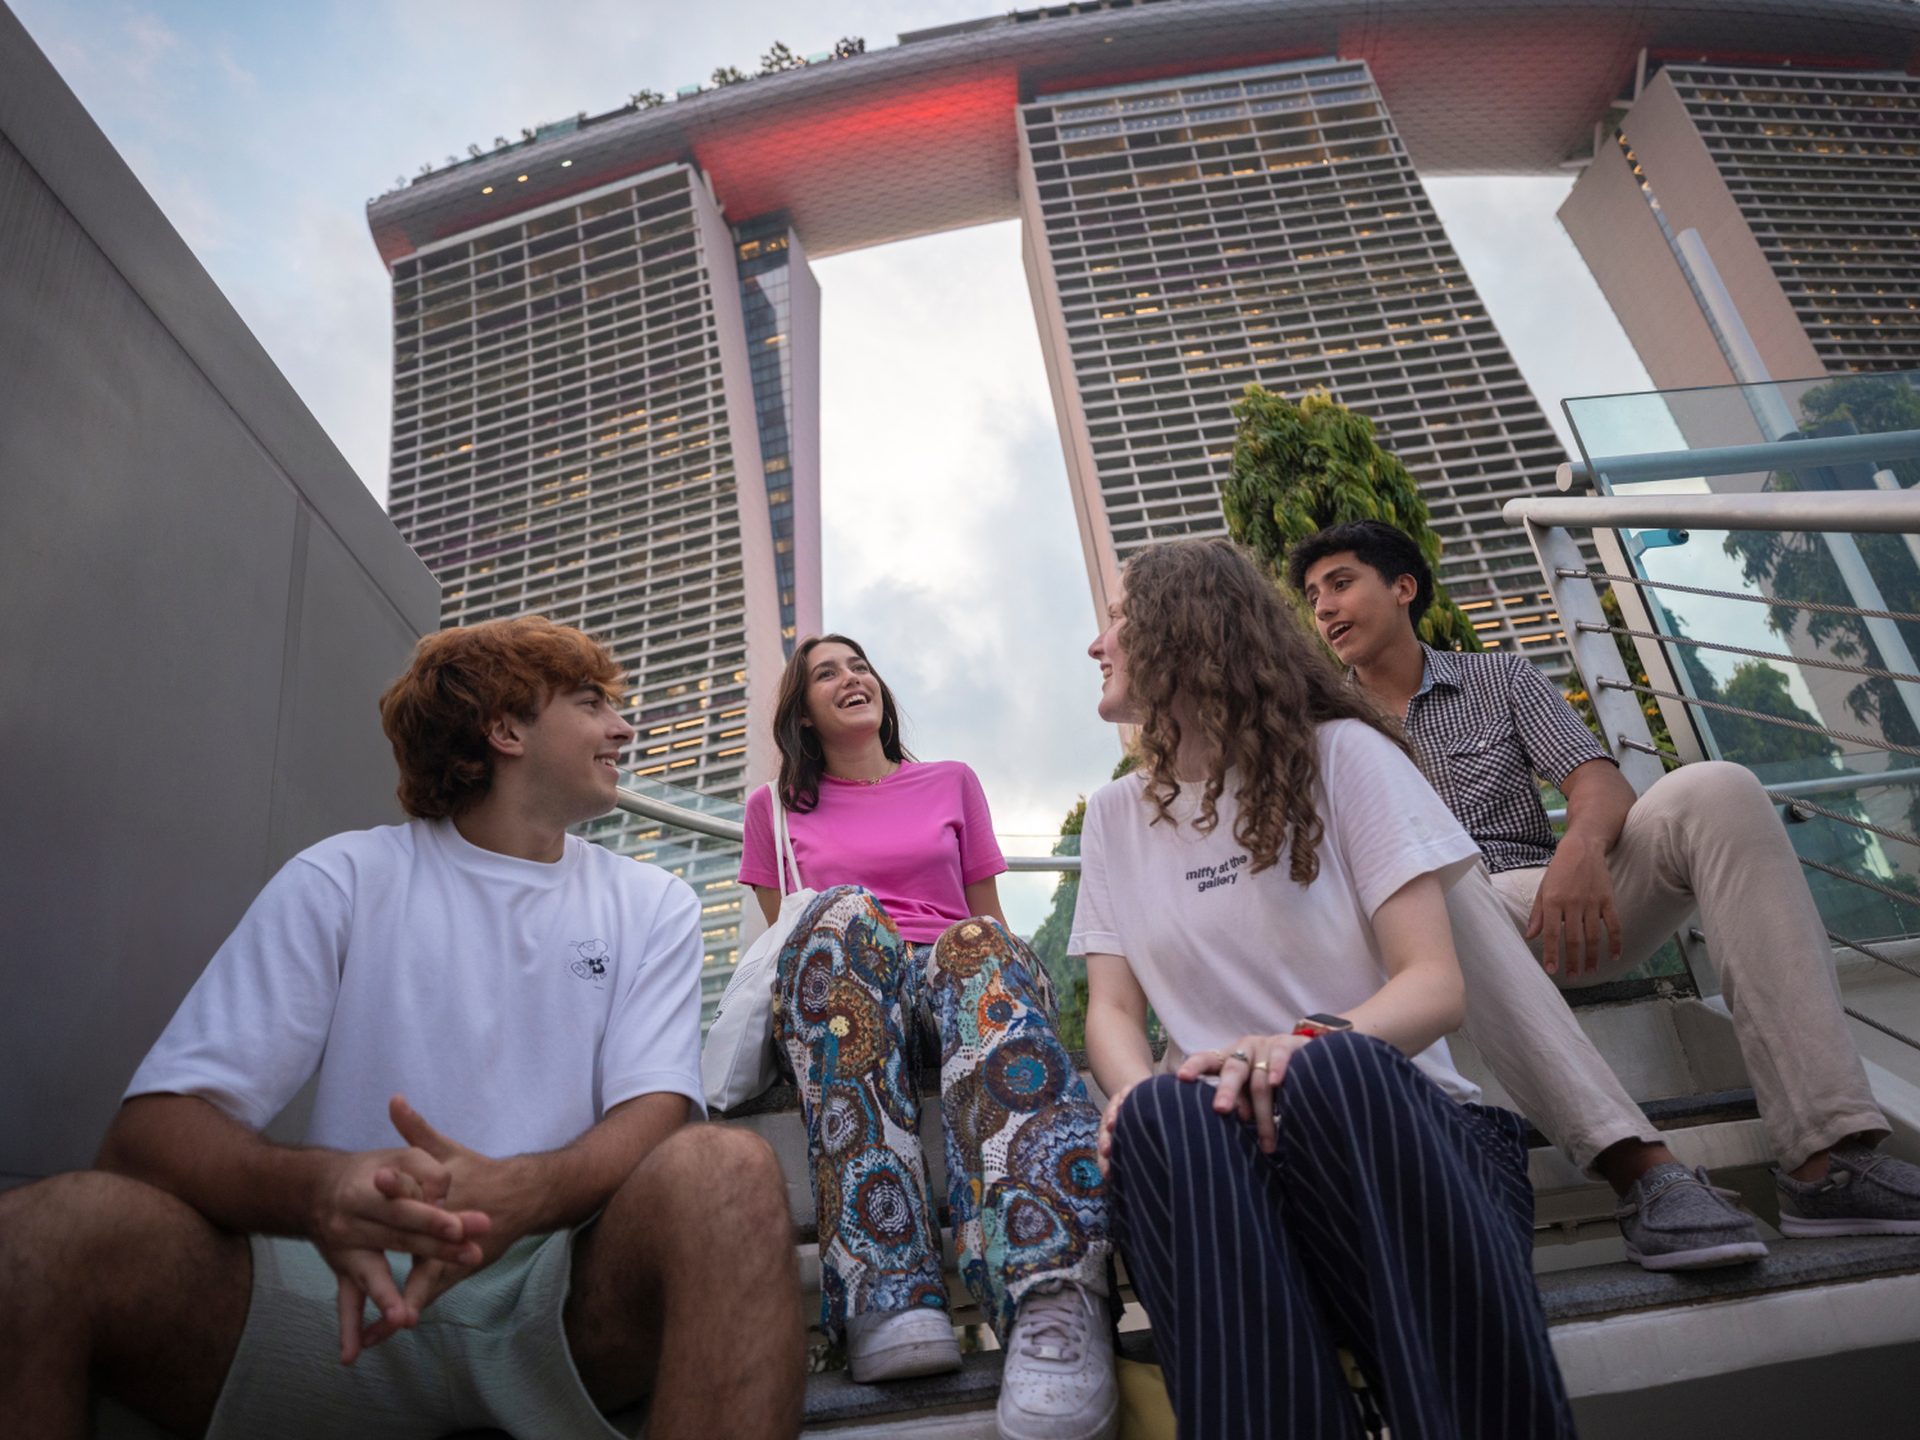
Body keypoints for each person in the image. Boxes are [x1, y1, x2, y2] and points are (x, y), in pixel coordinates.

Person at [0, 617, 804, 1440]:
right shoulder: (343, 877)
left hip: (553, 1303)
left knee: (728, 1169)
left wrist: (522, 1195)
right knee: (44, 1234)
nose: (623, 725)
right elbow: (147, 1138)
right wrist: (318, 1192)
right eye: (592, 701)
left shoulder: (652, 902)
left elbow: (656, 1115)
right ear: (504, 728)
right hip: (330, 1297)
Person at [1289, 518, 1920, 1267]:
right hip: (1428, 939)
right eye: (1311, 595)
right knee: (1436, 870)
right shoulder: (1317, 728)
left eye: (1340, 583)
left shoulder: (1501, 679)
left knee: (1716, 788)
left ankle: (1828, 1156)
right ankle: (1641, 1171)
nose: (1323, 608)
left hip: (1550, 905)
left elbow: (1596, 782)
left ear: (1401, 588)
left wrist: (1581, 847)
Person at [1077, 539, 1575, 1439]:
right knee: (1158, 1114)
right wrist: (1140, 1091)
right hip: (1227, 1173)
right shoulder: (1114, 818)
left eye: (1118, 617)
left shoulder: (1344, 757)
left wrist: (1296, 1047)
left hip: (1392, 1148)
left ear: (1188, 629)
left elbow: (1434, 985)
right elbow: (1111, 1012)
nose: (1098, 643)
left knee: (1334, 1067)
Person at [737, 634, 1116, 1440]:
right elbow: (790, 944)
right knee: (838, 920)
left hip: (961, 980)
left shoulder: (951, 781)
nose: (851, 678)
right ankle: (889, 1290)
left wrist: (978, 965)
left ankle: (1053, 1289)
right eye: (826, 673)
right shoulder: (772, 810)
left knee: (974, 942)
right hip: (852, 998)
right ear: (800, 712)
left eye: (860, 664)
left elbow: (989, 917)